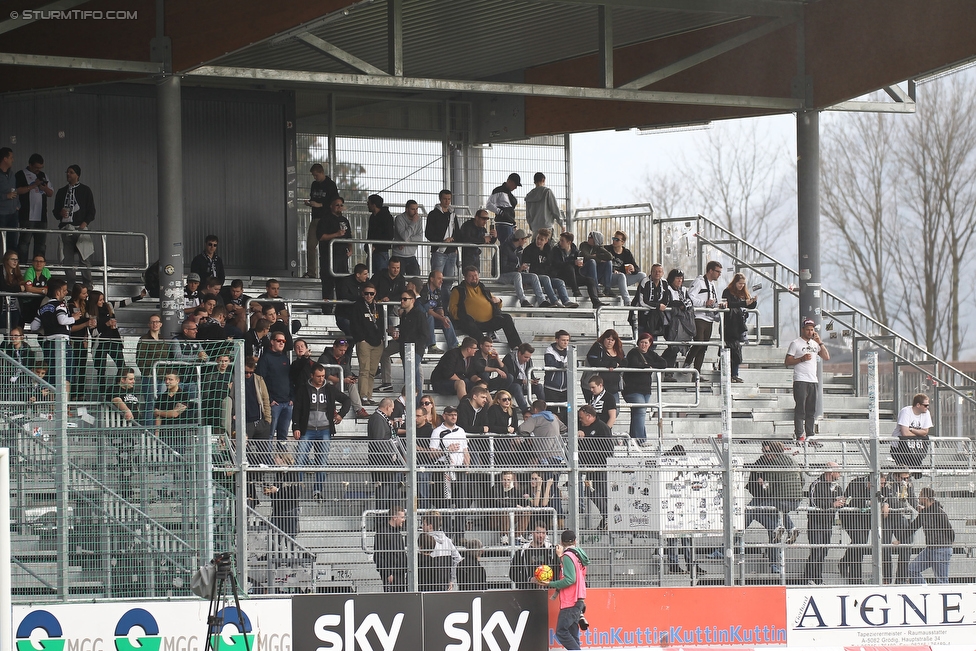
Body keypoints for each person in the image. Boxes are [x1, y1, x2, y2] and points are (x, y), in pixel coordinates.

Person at [293, 363, 350, 498]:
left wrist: (341, 414)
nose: (321, 379)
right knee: (300, 459)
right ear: (312, 375)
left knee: (322, 462)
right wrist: (296, 426)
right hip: (307, 429)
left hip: (325, 430)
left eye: (323, 376)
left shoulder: (329, 388)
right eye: (318, 376)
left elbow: (346, 400)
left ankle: (317, 491)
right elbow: (297, 409)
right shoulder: (303, 389)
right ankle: (297, 489)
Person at [745, 440, 803, 574]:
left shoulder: (775, 464)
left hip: (770, 500)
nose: (767, 454)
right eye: (765, 452)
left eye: (769, 452)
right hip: (770, 500)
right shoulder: (762, 463)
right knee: (770, 523)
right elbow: (801, 480)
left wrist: (765, 485)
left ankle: (774, 563)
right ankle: (790, 528)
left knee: (753, 510)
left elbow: (769, 488)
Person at [539, 529, 589, 651]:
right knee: (573, 634)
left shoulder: (567, 556)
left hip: (570, 600)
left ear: (561, 542)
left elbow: (570, 579)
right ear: (575, 541)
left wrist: (550, 583)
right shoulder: (578, 555)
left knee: (561, 632)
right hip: (578, 598)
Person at [448, 266, 522, 347]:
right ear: (465, 277)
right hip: (471, 323)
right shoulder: (458, 290)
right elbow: (452, 309)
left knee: (506, 318)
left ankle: (517, 347)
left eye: (476, 275)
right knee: (467, 321)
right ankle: (484, 345)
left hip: (489, 322)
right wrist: (463, 316)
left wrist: (499, 300)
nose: (474, 278)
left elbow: (497, 303)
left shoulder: (483, 289)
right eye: (471, 276)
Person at [785, 318, 830, 443]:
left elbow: (826, 356)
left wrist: (820, 342)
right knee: (801, 408)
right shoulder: (796, 343)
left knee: (811, 410)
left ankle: (810, 435)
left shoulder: (815, 344)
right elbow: (787, 361)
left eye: (812, 330)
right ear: (803, 330)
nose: (810, 332)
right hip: (800, 380)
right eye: (808, 330)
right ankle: (800, 434)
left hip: (813, 380)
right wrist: (801, 359)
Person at [53, 164, 95, 286]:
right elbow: (55, 212)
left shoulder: (85, 190)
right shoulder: (61, 192)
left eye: (71, 172)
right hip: (66, 228)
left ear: (77, 175)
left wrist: (83, 225)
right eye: (67, 172)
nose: (68, 174)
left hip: (80, 228)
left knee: (84, 258)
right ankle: (71, 287)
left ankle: (88, 285)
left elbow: (91, 211)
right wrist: (60, 213)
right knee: (68, 260)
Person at [803, 462, 845, 585]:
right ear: (831, 472)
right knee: (816, 551)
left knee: (823, 552)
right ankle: (809, 579)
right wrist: (832, 504)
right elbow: (815, 503)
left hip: (828, 523)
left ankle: (818, 579)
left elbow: (840, 501)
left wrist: (842, 502)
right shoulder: (816, 484)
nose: (840, 474)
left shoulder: (837, 487)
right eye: (838, 471)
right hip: (815, 523)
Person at [380, 289, 428, 392]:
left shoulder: (419, 314)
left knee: (411, 377)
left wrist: (417, 349)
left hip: (414, 350)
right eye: (401, 299)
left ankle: (415, 403)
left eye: (405, 299)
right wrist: (397, 334)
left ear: (412, 300)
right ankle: (416, 403)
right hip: (405, 349)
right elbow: (405, 331)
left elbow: (424, 334)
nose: (402, 301)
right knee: (412, 377)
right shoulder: (405, 315)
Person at [623, 333, 666, 442]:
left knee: (637, 413)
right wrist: (649, 366)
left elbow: (663, 363)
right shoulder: (633, 352)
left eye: (646, 342)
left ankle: (631, 439)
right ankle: (640, 440)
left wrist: (649, 365)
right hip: (632, 389)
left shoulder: (652, 354)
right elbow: (634, 364)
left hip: (646, 390)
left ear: (650, 344)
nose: (643, 345)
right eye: (641, 342)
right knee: (641, 412)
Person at [906, 487, 954, 584]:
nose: (918, 499)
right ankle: (925, 590)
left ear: (925, 498)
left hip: (941, 549)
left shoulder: (939, 513)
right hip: (930, 549)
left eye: (920, 496)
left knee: (942, 580)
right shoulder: (924, 513)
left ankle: (941, 596)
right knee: (912, 569)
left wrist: (947, 545)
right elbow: (913, 527)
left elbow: (950, 531)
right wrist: (900, 538)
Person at [577, 405, 613, 530]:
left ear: (589, 416)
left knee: (601, 492)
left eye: (582, 418)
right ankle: (607, 516)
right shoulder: (581, 427)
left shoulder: (602, 427)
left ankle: (608, 516)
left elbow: (609, 449)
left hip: (601, 467)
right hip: (590, 468)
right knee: (590, 491)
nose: (580, 420)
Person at [522, 228, 576, 308]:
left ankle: (566, 301)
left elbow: (551, 266)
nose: (539, 241)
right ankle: (555, 301)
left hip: (546, 276)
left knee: (559, 282)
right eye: (538, 238)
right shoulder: (529, 250)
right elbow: (525, 266)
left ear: (546, 241)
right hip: (534, 277)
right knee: (546, 278)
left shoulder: (549, 250)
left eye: (541, 240)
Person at [350, 282, 384, 406]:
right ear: (362, 293)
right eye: (366, 293)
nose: (369, 296)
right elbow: (354, 324)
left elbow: (381, 323)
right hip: (364, 342)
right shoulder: (357, 306)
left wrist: (381, 338)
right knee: (364, 370)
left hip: (377, 343)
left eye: (372, 293)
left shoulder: (377, 306)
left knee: (372, 371)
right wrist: (361, 339)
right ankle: (363, 396)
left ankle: (369, 396)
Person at [256, 330, 294, 442]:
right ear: (272, 342)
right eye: (279, 341)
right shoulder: (265, 359)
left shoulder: (285, 359)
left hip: (287, 403)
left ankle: (281, 457)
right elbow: (260, 381)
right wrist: (270, 400)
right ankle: (267, 458)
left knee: (283, 435)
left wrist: (292, 398)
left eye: (283, 341)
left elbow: (290, 379)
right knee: (270, 434)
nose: (282, 343)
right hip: (273, 404)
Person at [685, 260, 722, 374]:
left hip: (709, 318)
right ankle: (687, 362)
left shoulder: (712, 285)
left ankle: (697, 373)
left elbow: (712, 301)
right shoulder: (699, 282)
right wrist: (704, 303)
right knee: (699, 342)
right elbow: (690, 297)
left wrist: (718, 305)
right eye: (717, 272)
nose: (719, 274)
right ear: (710, 271)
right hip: (699, 317)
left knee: (704, 346)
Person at [548, 232, 603, 307]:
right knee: (569, 267)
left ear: (569, 242)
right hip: (561, 275)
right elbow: (556, 264)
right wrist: (573, 262)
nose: (560, 242)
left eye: (562, 241)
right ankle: (575, 290)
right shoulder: (556, 250)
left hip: (573, 276)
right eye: (560, 240)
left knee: (590, 280)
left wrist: (580, 265)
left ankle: (596, 301)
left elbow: (577, 265)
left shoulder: (575, 251)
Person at [499, 228, 549, 308]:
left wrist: (522, 271)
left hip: (515, 274)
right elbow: (502, 268)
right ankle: (523, 300)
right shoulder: (505, 248)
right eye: (525, 239)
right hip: (501, 275)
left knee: (533, 276)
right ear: (520, 239)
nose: (526, 241)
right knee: (517, 275)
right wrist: (518, 269)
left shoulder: (519, 249)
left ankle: (542, 300)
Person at [16, 153, 53, 260]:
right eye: (36, 168)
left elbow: (50, 193)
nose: (38, 170)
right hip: (26, 216)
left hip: (41, 217)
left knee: (41, 244)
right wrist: (33, 185)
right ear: (30, 165)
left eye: (40, 168)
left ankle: (38, 268)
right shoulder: (20, 174)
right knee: (24, 243)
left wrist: (44, 188)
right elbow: (17, 190)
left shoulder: (43, 175)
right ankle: (22, 267)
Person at [881, 469, 916, 584]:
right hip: (885, 518)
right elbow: (880, 495)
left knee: (906, 543)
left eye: (907, 477)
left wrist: (918, 507)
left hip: (899, 515)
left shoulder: (908, 482)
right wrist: (884, 504)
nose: (905, 480)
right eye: (902, 478)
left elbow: (911, 498)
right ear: (896, 476)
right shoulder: (886, 481)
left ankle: (901, 578)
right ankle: (886, 578)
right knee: (885, 546)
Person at [318, 337, 366, 418]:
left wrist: (350, 379)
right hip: (327, 383)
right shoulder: (325, 357)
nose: (343, 352)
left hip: (340, 382)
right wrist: (343, 380)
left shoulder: (345, 358)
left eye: (344, 350)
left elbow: (347, 372)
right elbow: (327, 376)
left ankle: (359, 409)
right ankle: (332, 409)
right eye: (341, 350)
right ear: (334, 347)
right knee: (329, 383)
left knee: (352, 384)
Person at [838, 472, 873, 584]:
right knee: (859, 542)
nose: (882, 486)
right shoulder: (855, 483)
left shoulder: (882, 485)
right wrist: (869, 502)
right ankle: (855, 579)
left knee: (860, 545)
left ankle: (844, 562)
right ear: (869, 482)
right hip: (850, 517)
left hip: (865, 518)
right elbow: (853, 502)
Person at [722, 272, 758, 383]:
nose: (741, 286)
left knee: (737, 350)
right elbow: (729, 304)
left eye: (743, 284)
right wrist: (743, 303)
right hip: (729, 324)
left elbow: (748, 305)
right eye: (739, 283)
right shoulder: (727, 292)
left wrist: (752, 302)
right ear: (735, 283)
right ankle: (727, 372)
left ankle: (734, 374)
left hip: (739, 326)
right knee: (730, 349)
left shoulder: (743, 293)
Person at [305, 163, 338, 278]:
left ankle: (326, 272)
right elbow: (313, 198)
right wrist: (310, 203)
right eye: (314, 176)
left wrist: (319, 205)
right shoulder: (314, 185)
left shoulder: (330, 185)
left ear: (322, 173)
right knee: (310, 245)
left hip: (326, 219)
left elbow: (334, 203)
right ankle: (311, 272)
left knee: (326, 247)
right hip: (315, 218)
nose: (315, 178)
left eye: (316, 175)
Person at [368, 397, 401, 512]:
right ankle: (381, 524)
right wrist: (391, 453)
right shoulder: (377, 419)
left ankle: (390, 521)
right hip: (382, 464)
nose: (392, 411)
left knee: (391, 494)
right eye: (392, 408)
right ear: (387, 407)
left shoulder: (381, 418)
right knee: (383, 495)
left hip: (387, 464)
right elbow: (379, 440)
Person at [317, 195, 352, 301]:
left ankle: (342, 310)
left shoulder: (345, 220)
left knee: (342, 284)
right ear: (331, 206)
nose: (339, 207)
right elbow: (321, 237)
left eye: (341, 205)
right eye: (337, 205)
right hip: (328, 256)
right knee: (328, 285)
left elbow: (349, 237)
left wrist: (351, 250)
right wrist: (336, 234)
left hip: (342, 257)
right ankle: (327, 310)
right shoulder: (324, 220)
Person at [662, 268, 695, 375]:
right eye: (677, 278)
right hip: (670, 323)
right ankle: (663, 366)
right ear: (672, 279)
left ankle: (668, 371)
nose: (679, 281)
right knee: (673, 347)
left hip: (682, 323)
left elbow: (689, 303)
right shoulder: (667, 289)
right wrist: (679, 304)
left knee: (675, 348)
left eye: (681, 278)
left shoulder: (684, 290)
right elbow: (668, 302)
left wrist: (683, 304)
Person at [509, 521, 560, 589]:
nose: (541, 536)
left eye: (543, 533)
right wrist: (529, 580)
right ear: (532, 532)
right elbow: (512, 573)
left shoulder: (552, 550)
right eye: (538, 532)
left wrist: (549, 581)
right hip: (527, 591)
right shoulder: (522, 551)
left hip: (548, 591)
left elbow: (558, 570)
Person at [419, 270, 458, 353]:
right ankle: (431, 346)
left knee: (446, 318)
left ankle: (454, 346)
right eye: (439, 278)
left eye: (442, 279)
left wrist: (442, 318)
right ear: (432, 279)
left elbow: (440, 309)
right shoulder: (423, 290)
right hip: (422, 320)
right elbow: (428, 311)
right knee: (430, 317)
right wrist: (441, 318)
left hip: (433, 318)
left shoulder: (438, 291)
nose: (441, 281)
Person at [579, 232, 626, 301]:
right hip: (584, 272)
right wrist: (599, 260)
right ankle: (596, 289)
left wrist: (598, 250)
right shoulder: (584, 245)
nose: (588, 238)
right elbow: (587, 256)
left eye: (591, 237)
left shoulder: (599, 248)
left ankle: (607, 289)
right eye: (588, 236)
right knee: (592, 262)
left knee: (608, 263)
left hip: (595, 274)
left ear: (596, 239)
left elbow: (610, 257)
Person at [891, 393, 932, 469]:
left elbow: (925, 432)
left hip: (916, 448)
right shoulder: (906, 411)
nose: (927, 407)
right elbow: (905, 433)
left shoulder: (926, 413)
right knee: (903, 470)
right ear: (918, 405)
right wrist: (920, 433)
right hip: (900, 447)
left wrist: (911, 429)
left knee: (915, 470)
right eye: (925, 405)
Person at [629, 263, 670, 339]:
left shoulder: (664, 282)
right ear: (651, 272)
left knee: (653, 341)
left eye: (659, 271)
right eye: (655, 271)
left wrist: (658, 307)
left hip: (655, 317)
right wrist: (658, 306)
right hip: (641, 317)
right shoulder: (645, 282)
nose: (657, 273)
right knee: (642, 340)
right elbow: (642, 302)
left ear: (663, 273)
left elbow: (665, 300)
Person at [425, 189, 460, 277]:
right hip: (438, 251)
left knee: (449, 280)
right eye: (445, 199)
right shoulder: (433, 214)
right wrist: (442, 241)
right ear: (440, 199)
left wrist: (455, 245)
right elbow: (428, 233)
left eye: (449, 199)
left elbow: (457, 231)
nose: (447, 201)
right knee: (436, 279)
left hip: (452, 251)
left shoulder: (453, 214)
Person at [374, 504, 407, 592]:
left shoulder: (397, 532)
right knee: (391, 599)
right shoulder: (382, 533)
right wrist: (387, 573)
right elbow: (378, 556)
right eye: (402, 517)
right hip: (391, 574)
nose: (404, 520)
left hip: (400, 573)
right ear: (394, 517)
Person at [486, 391, 523, 470]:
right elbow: (491, 426)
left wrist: (512, 430)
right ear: (498, 400)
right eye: (504, 399)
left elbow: (515, 425)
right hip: (496, 441)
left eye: (509, 399)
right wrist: (506, 429)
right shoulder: (494, 409)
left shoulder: (512, 409)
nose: (507, 401)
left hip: (508, 441)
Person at [503, 343, 542, 415]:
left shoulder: (529, 360)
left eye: (529, 358)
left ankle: (542, 409)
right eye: (525, 357)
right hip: (511, 386)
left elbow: (531, 374)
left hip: (525, 384)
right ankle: (525, 411)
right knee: (516, 386)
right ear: (519, 353)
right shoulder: (509, 358)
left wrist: (534, 380)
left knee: (539, 386)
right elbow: (509, 378)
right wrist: (522, 381)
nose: (527, 360)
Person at [585, 329, 624, 398]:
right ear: (603, 339)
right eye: (608, 339)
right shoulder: (597, 347)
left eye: (612, 340)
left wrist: (616, 365)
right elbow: (594, 362)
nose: (610, 342)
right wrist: (611, 364)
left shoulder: (619, 350)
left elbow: (625, 362)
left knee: (615, 408)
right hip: (597, 387)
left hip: (613, 388)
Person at [486, 173, 521, 249]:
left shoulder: (508, 194)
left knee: (509, 246)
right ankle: (500, 260)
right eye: (515, 184)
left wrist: (513, 225)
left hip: (509, 224)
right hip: (503, 224)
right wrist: (500, 212)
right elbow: (488, 205)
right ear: (509, 181)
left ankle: (501, 260)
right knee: (507, 247)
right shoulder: (499, 191)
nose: (515, 187)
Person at [544, 330, 571, 421]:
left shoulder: (570, 350)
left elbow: (575, 363)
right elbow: (550, 362)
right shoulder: (549, 350)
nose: (565, 342)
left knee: (567, 411)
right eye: (563, 340)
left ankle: (567, 431)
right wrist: (563, 365)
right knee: (551, 412)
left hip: (566, 388)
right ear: (556, 340)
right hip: (551, 388)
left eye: (567, 340)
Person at [393, 200, 423, 276]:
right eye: (413, 209)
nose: (415, 212)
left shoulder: (419, 220)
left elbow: (420, 238)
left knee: (416, 279)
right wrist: (413, 222)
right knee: (399, 280)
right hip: (399, 255)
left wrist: (406, 241)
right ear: (406, 209)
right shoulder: (399, 218)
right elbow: (404, 236)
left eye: (416, 209)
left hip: (411, 255)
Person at [22, 254, 51, 324]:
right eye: (36, 261)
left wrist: (34, 289)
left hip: (41, 302)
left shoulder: (46, 271)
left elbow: (50, 287)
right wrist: (43, 290)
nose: (38, 263)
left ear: (44, 263)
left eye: (41, 261)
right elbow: (28, 288)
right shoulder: (30, 271)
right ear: (32, 262)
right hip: (29, 302)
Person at [0, 251, 26, 329]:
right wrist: (18, 288)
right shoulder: (1, 270)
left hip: (15, 309)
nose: (15, 262)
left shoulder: (16, 274)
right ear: (6, 260)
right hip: (3, 309)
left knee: (13, 333)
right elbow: (2, 287)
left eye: (17, 260)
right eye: (12, 259)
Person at [0, 148, 19, 252]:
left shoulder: (12, 174)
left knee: (12, 243)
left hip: (13, 213)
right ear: (5, 159)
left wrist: (17, 205)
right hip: (1, 213)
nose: (13, 160)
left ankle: (11, 267)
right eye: (11, 157)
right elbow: (8, 194)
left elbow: (15, 190)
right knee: (2, 242)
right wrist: (5, 196)